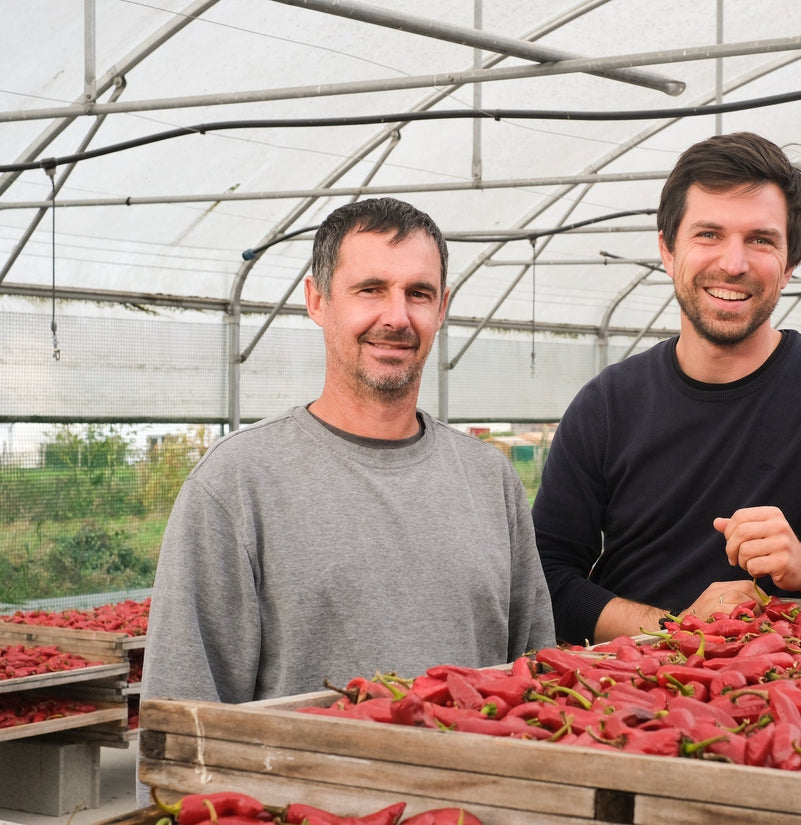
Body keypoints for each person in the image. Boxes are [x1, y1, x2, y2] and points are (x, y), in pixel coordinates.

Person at [532, 132, 801, 646]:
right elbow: (546, 579)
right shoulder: (607, 405)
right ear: (667, 250)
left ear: (790, 262)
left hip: (785, 697)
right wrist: (675, 629)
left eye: (761, 239)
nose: (734, 263)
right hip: (623, 697)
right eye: (708, 234)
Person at [142, 197, 555, 710]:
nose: (397, 317)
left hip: (474, 790)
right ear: (317, 300)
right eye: (371, 290)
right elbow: (181, 716)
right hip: (299, 793)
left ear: (442, 308)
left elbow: (537, 681)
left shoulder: (489, 480)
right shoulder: (237, 482)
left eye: (418, 294)